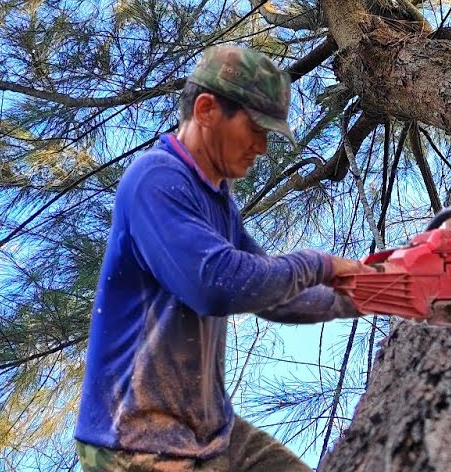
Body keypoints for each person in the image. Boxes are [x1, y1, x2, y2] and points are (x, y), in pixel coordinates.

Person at [74, 45, 372, 472]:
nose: (263, 148)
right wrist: (319, 263)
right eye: (255, 129)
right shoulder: (155, 179)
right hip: (136, 443)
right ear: (207, 109)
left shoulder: (217, 199)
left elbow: (273, 295)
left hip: (211, 433)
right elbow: (215, 283)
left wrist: (365, 294)